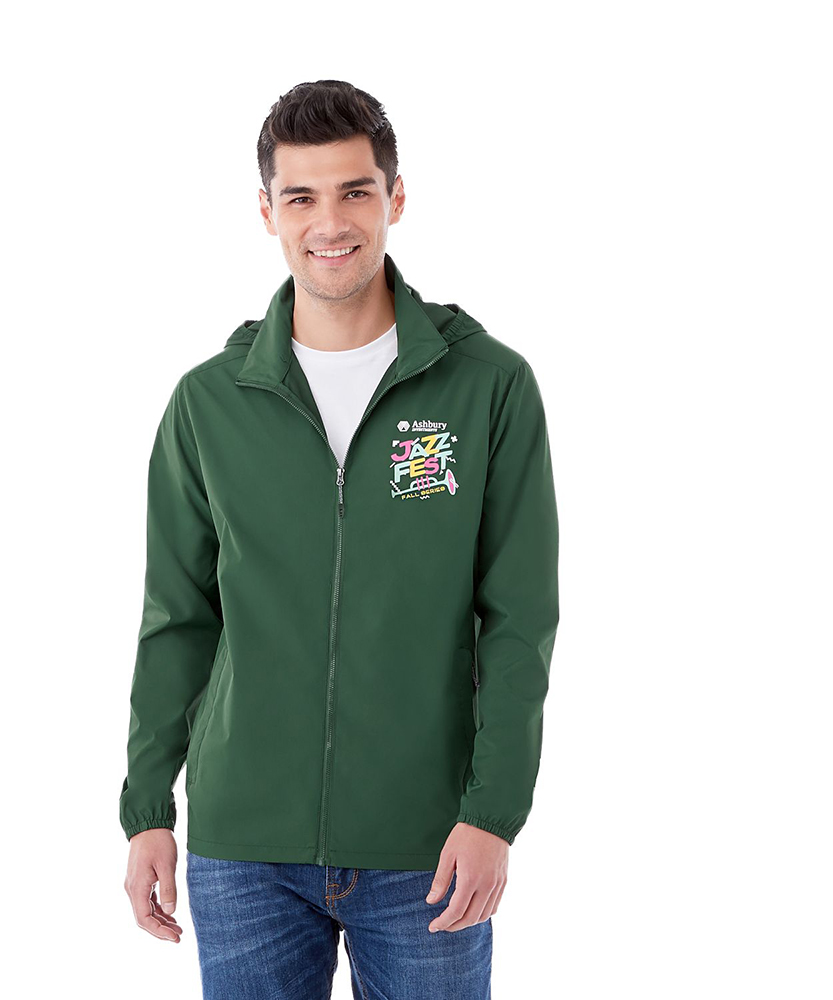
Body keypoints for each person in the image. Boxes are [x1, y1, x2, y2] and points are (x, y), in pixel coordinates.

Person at [120, 79, 560, 999]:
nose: (330, 222)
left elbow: (520, 622)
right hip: (244, 850)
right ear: (267, 212)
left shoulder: (487, 387)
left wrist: (493, 814)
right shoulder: (209, 402)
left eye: (355, 191)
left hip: (429, 845)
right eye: (301, 197)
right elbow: (177, 620)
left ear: (395, 197)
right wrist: (148, 807)